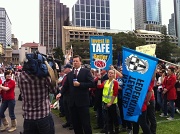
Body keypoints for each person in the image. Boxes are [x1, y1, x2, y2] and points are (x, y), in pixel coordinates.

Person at [59, 55, 94, 134]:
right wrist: (60, 93)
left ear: (80, 62)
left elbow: (91, 83)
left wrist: (80, 84)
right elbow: (65, 86)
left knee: (85, 123)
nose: (75, 63)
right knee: (76, 124)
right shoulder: (70, 74)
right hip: (73, 103)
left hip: (83, 103)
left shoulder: (86, 71)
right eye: (73, 61)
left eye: (76, 61)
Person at [18, 69, 56, 133]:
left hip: (28, 116)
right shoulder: (45, 77)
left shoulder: (21, 76)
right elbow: (54, 91)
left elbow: (21, 92)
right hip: (43, 115)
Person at [97, 69, 119, 134]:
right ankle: (110, 130)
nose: (110, 74)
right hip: (105, 102)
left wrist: (111, 102)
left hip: (112, 103)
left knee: (114, 118)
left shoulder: (115, 82)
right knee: (108, 118)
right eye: (109, 73)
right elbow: (99, 86)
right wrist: (99, 79)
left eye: (112, 73)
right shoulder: (105, 81)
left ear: (114, 74)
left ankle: (116, 130)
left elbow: (115, 93)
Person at [56, 64, 73, 130]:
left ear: (69, 69)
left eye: (65, 68)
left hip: (69, 95)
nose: (64, 70)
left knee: (70, 110)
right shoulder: (65, 76)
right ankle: (68, 122)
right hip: (65, 95)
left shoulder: (71, 75)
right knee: (66, 109)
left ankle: (72, 123)